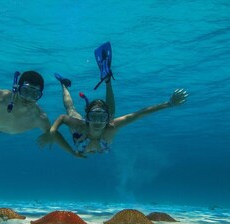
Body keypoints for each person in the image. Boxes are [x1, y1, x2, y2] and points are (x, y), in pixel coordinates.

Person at [38, 42, 188, 156]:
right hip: (85, 131)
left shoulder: (109, 124)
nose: (97, 121)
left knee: (110, 117)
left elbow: (140, 113)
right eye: (94, 117)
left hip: (93, 134)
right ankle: (65, 85)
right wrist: (52, 132)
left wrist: (169, 103)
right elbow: (63, 117)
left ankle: (107, 80)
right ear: (87, 117)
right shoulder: (83, 125)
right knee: (71, 110)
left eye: (100, 117)